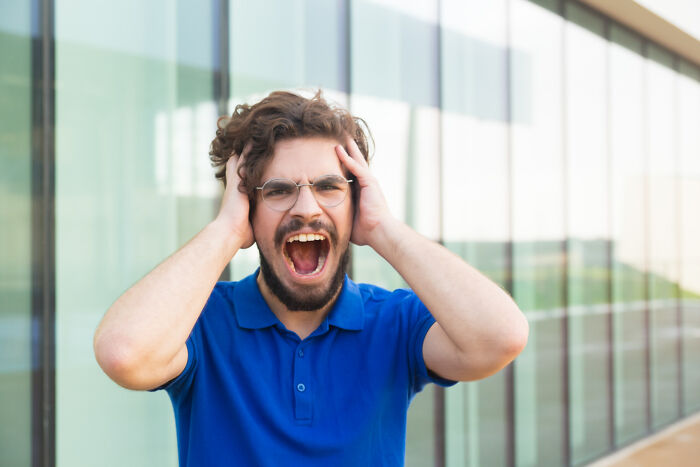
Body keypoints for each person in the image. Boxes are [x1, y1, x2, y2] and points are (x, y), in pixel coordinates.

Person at [93, 90, 529, 466]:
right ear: (249, 210)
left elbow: (501, 337)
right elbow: (124, 354)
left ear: (355, 203)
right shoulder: (200, 322)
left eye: (328, 187)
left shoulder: (394, 322)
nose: (306, 208)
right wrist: (224, 230)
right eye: (279, 190)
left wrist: (383, 229)